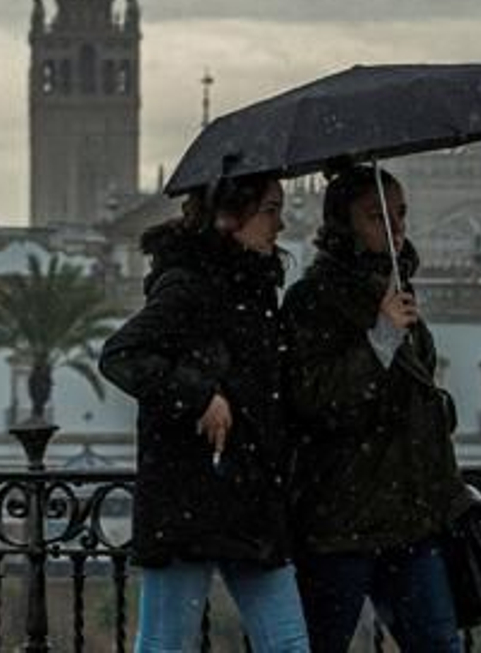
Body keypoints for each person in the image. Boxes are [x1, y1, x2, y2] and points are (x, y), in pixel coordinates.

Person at [100, 173, 309, 652]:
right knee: (167, 643)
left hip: (246, 496)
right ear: (230, 217)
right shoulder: (188, 285)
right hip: (191, 496)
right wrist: (199, 397)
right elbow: (121, 354)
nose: (280, 225)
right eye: (270, 210)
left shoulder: (256, 288)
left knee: (286, 644)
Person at [283, 166, 471, 653]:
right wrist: (381, 338)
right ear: (342, 226)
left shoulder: (397, 290)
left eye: (400, 214)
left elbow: (415, 386)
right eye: (377, 217)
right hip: (341, 523)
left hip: (411, 518)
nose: (396, 228)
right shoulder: (311, 301)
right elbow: (315, 399)